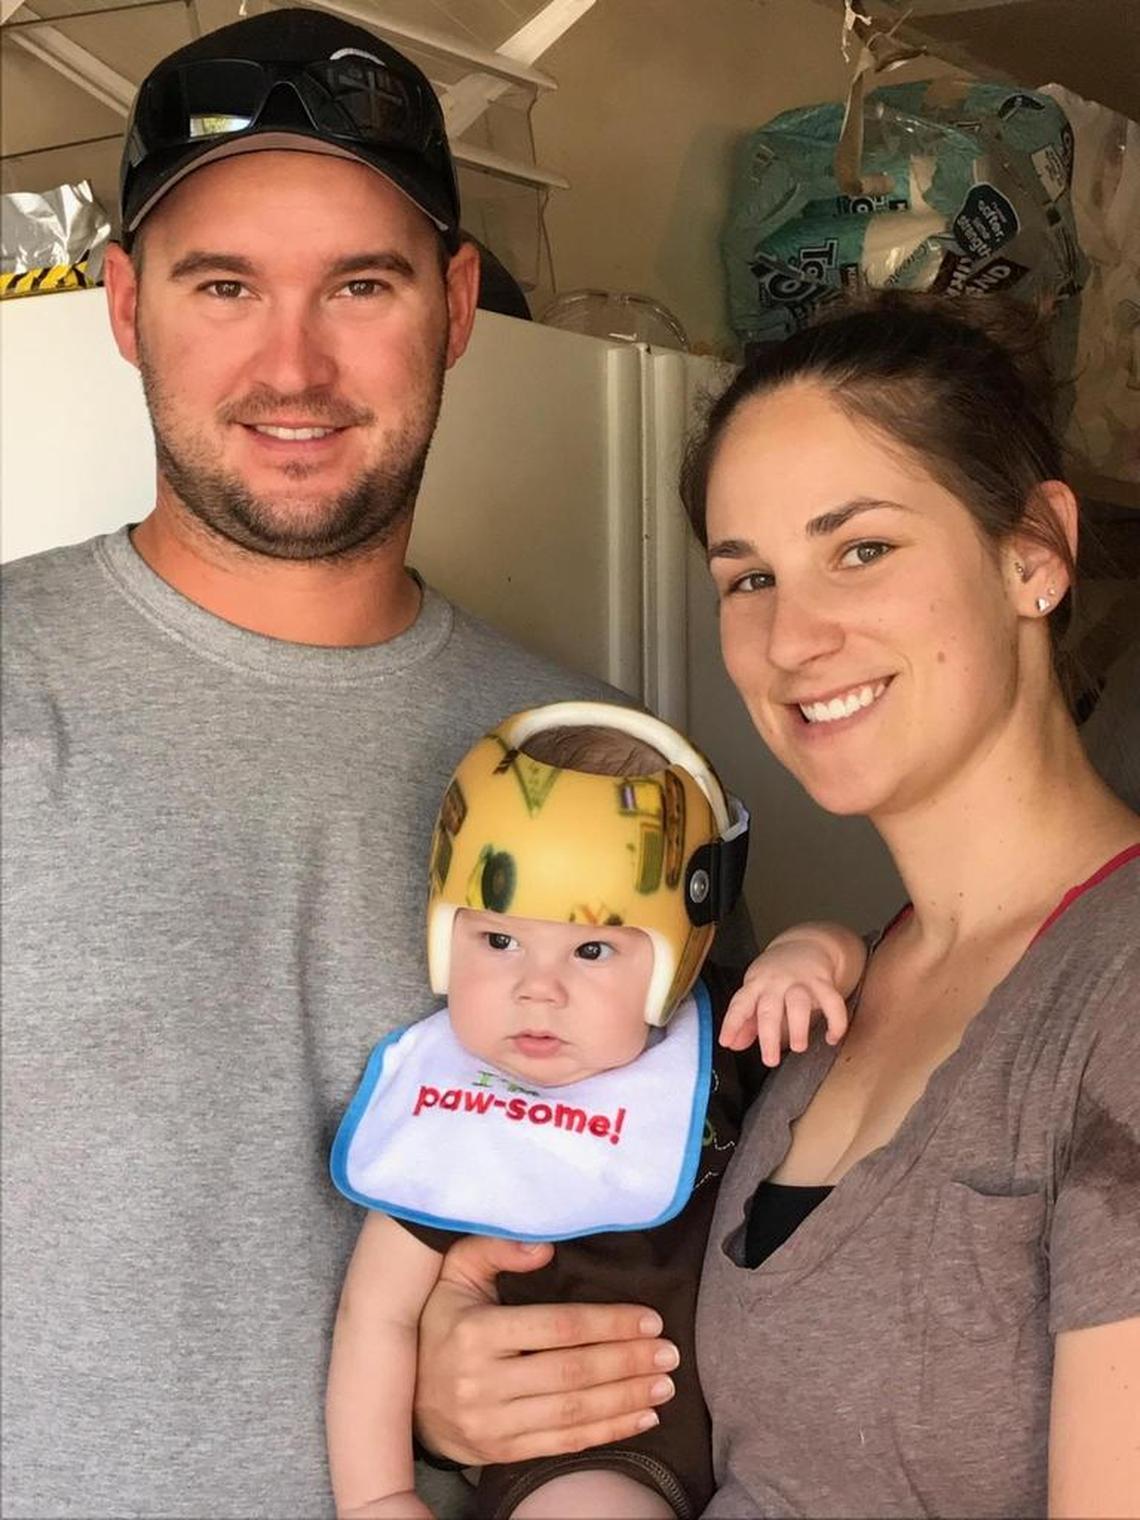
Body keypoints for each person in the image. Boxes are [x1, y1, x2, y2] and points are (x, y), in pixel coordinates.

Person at [1, 10, 675, 1515]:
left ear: (456, 306)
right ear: (125, 306)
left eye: (360, 285)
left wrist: (482, 1394)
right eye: (223, 286)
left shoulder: (604, 767)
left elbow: (683, 1256)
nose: (292, 365)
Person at [411, 293, 1140, 1517]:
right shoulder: (825, 993)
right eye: (748, 576)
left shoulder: (1115, 991)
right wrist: (460, 1385)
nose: (791, 636)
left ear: (1033, 551)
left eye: (860, 548)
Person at [324, 700, 863, 1520]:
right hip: (587, 1451)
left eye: (591, 949)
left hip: (777, 1432)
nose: (537, 988)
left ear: (678, 958)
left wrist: (807, 956)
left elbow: (865, 965)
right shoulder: (452, 1108)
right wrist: (379, 1499)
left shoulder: (721, 1033)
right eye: (498, 941)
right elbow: (375, 1314)